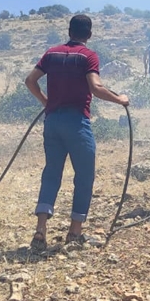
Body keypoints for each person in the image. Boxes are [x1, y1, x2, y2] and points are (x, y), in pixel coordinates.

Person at [24, 14, 129, 251]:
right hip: (76, 123)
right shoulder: (88, 56)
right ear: (89, 35)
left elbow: (30, 80)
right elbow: (96, 87)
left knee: (51, 173)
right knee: (84, 175)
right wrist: (120, 100)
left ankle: (41, 229)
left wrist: (45, 102)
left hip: (52, 122)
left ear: (69, 31)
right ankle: (75, 232)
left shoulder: (51, 53)